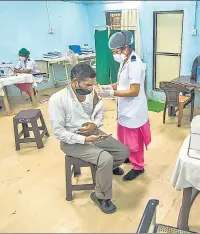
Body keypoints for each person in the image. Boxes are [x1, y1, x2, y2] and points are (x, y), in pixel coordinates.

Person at [48, 63, 129, 214]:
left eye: (92, 85)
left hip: (92, 131)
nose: (91, 88)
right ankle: (100, 196)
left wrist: (95, 124)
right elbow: (58, 132)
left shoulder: (91, 93)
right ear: (74, 81)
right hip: (72, 141)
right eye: (87, 85)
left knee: (123, 152)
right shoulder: (57, 100)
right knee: (105, 158)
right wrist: (85, 139)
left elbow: (100, 112)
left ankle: (105, 171)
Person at [97, 30, 151, 181]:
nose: (114, 54)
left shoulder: (135, 64)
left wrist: (112, 94)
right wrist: (110, 87)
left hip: (134, 110)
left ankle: (138, 166)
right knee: (124, 137)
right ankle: (128, 156)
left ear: (125, 47)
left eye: (115, 51)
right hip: (124, 109)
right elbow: (122, 84)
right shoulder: (124, 61)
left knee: (134, 140)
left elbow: (134, 91)